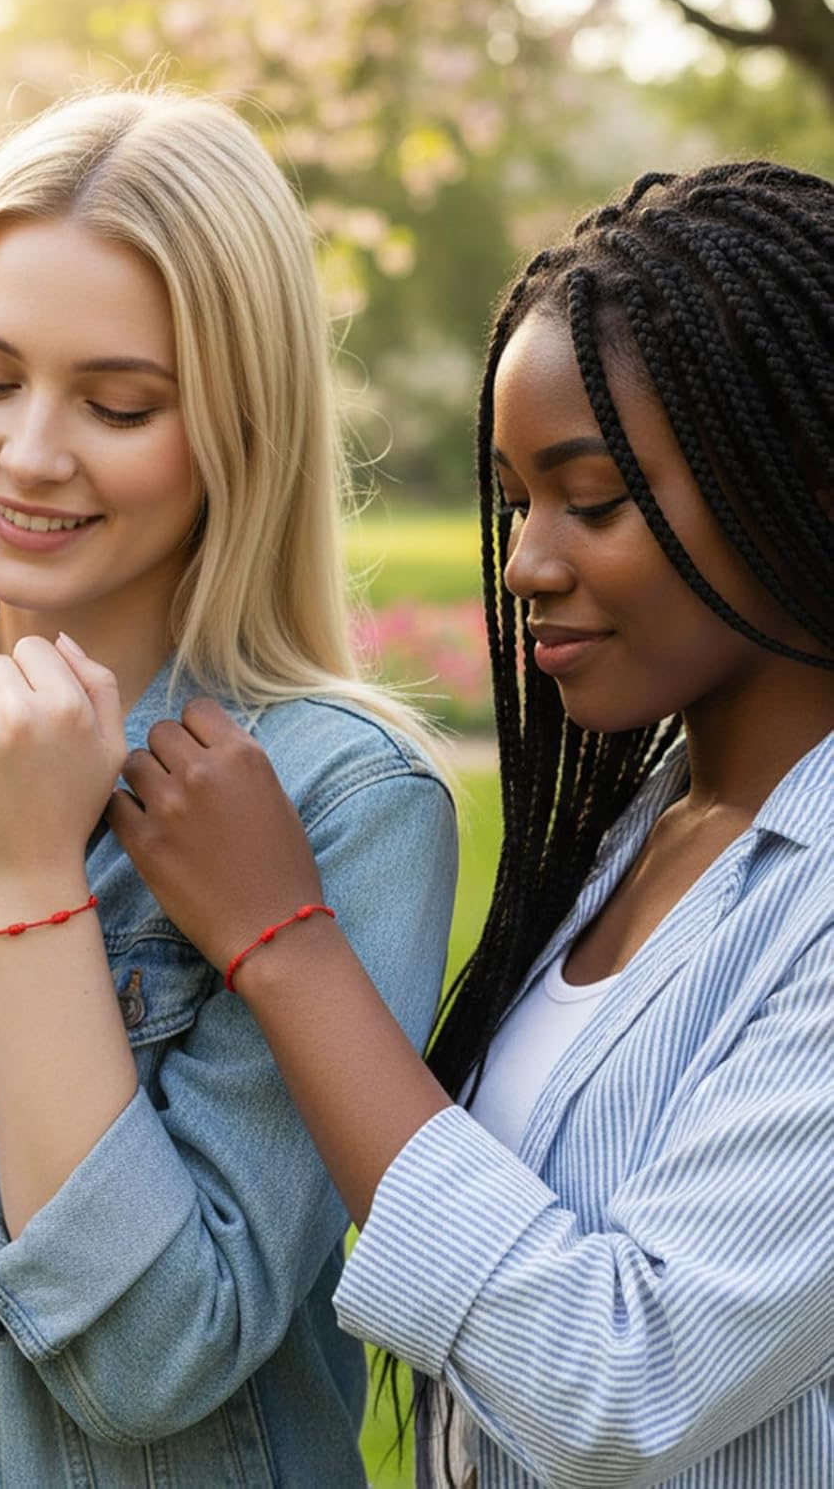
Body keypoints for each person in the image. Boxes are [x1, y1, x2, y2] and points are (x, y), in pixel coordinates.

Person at [0, 87, 458, 1489]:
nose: (32, 452)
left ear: (241, 427)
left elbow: (158, 1358)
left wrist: (25, 887)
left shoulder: (340, 801)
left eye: (118, 404)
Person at [109, 161, 834, 1487]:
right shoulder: (649, 831)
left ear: (803, 478)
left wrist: (284, 945)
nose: (525, 562)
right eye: (516, 501)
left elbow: (620, 1384)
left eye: (594, 500)